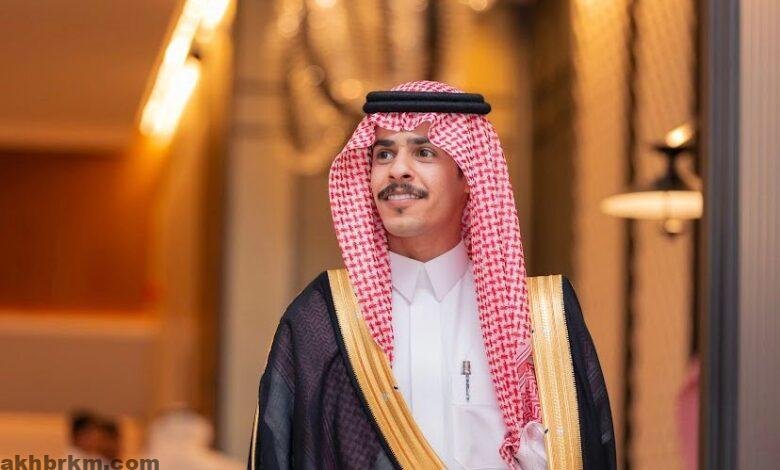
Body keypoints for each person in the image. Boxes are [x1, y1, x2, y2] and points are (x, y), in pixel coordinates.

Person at [248, 81, 616, 469]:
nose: (397, 170)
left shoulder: (541, 319)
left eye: (424, 152)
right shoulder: (324, 319)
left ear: (467, 175)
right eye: (384, 154)